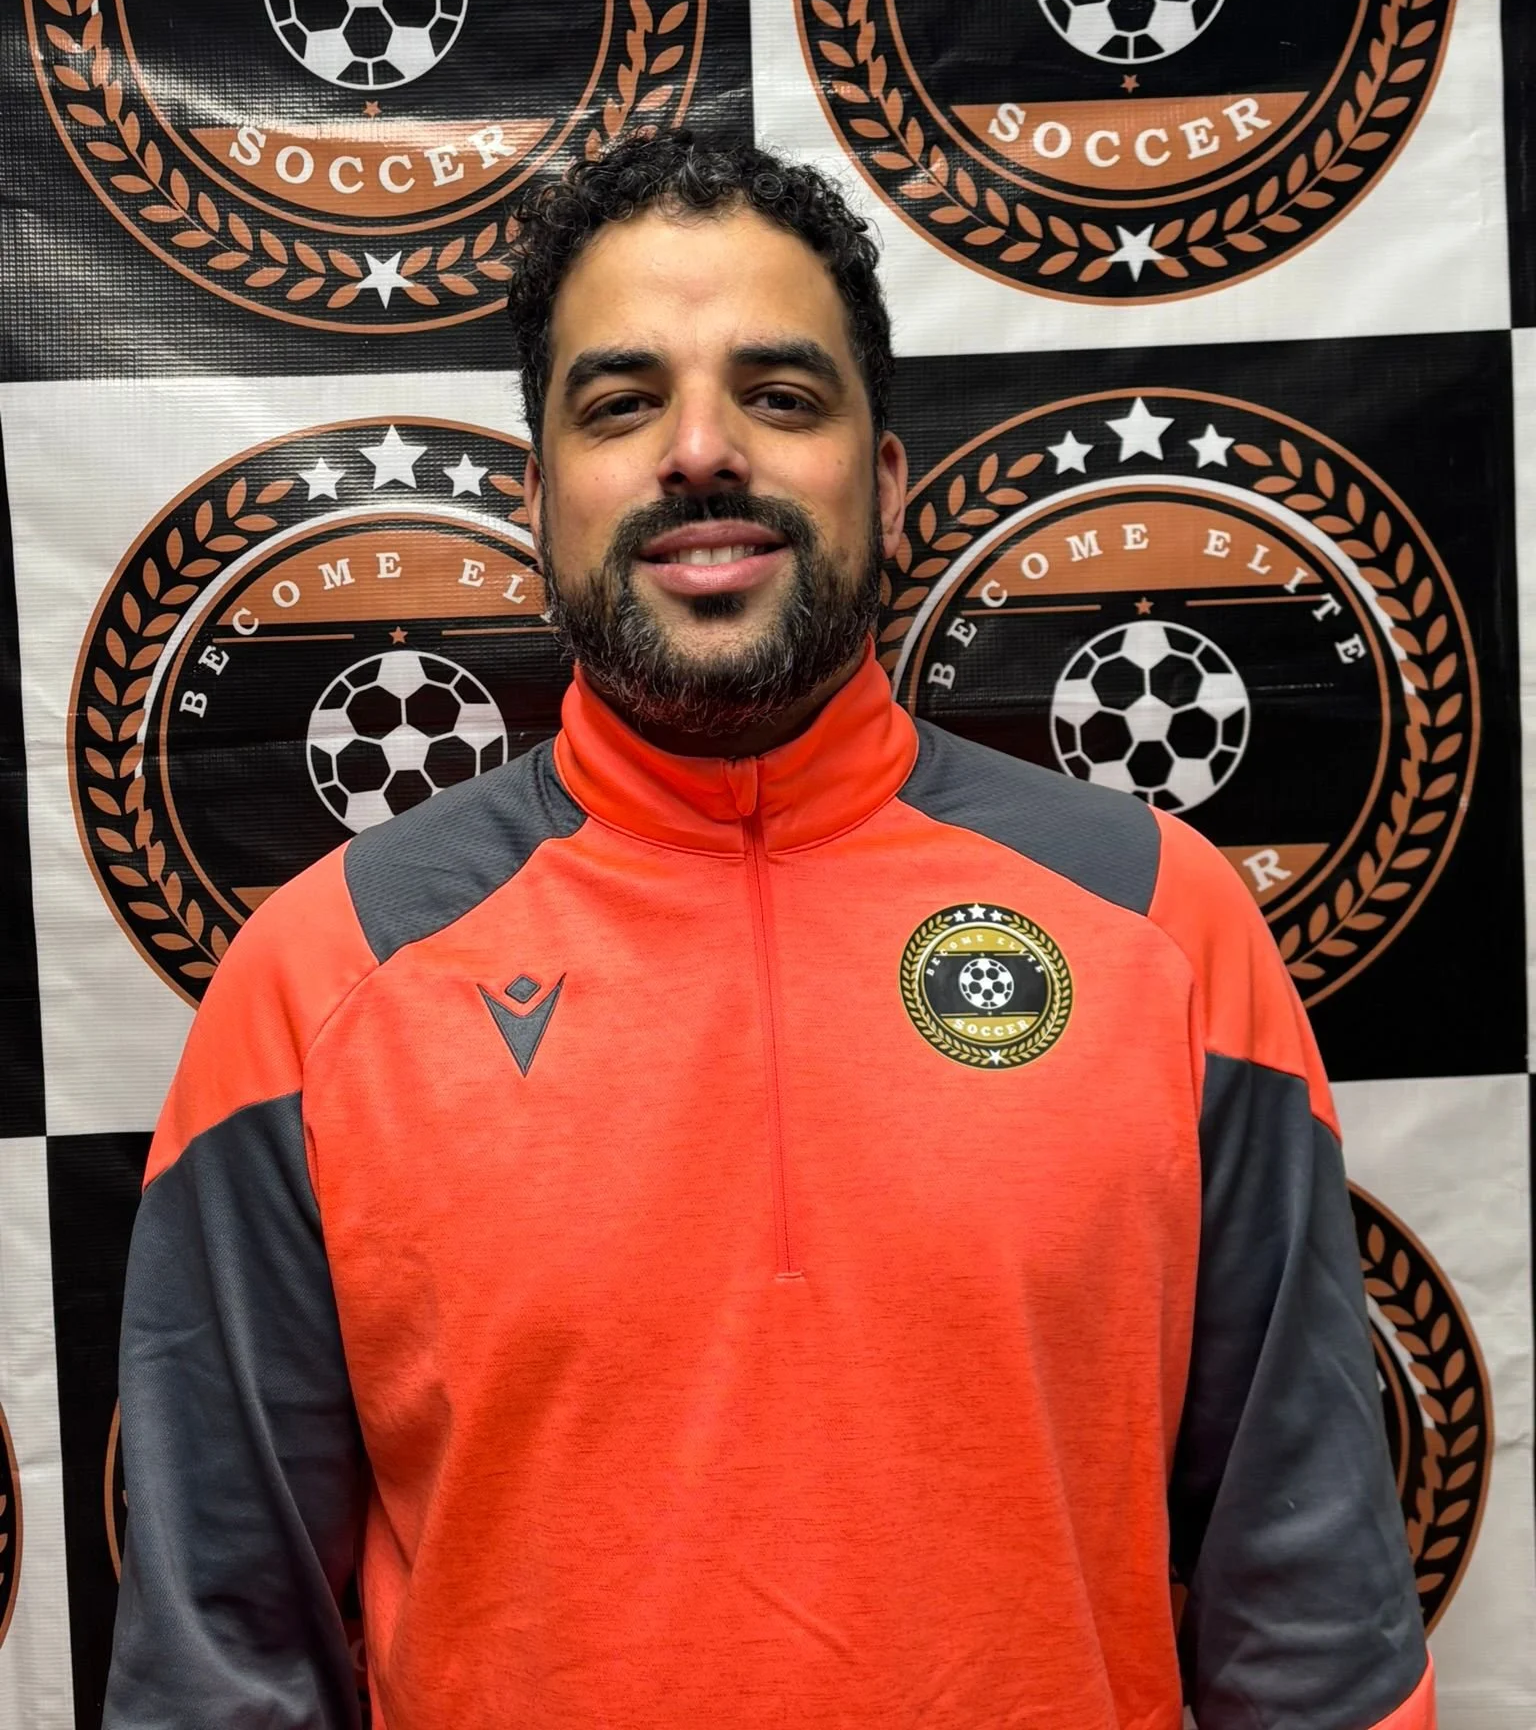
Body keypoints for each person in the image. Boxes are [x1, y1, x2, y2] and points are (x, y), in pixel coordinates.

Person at [105, 134, 1432, 1730]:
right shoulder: (321, 984)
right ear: (537, 501)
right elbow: (218, 1661)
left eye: (781, 395)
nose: (701, 452)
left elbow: (1314, 1621)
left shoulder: (1166, 925)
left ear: (889, 482)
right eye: (620, 404)